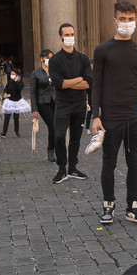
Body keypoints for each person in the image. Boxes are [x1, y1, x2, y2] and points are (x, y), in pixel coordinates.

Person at [91, 1, 137, 224]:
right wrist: (95, 116)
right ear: (115, 21)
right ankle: (108, 206)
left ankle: (132, 206)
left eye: (130, 19)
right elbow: (97, 85)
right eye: (122, 18)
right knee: (108, 163)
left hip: (134, 117)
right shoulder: (102, 50)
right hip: (110, 117)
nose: (127, 23)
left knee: (134, 162)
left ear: (136, 21)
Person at [48, 22, 92, 184]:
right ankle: (61, 170)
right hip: (63, 104)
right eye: (66, 35)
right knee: (59, 135)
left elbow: (89, 83)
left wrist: (69, 82)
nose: (70, 37)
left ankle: (72, 168)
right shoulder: (55, 60)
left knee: (76, 137)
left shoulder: (83, 59)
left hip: (80, 104)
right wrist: (79, 79)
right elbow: (59, 84)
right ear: (60, 37)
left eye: (72, 34)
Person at [30, 49, 57, 162]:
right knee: (52, 126)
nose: (49, 60)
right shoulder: (35, 73)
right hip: (43, 103)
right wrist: (34, 109)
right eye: (47, 57)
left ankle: (56, 149)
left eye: (51, 57)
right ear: (42, 59)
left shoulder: (56, 71)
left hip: (56, 101)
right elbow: (33, 92)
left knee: (57, 127)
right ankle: (50, 150)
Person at [0, 68, 30, 137]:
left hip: (16, 100)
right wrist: (5, 93)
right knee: (7, 117)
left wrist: (16, 81)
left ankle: (17, 132)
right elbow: (6, 88)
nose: (12, 75)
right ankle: (4, 132)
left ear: (17, 75)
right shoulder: (10, 81)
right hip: (9, 101)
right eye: (11, 74)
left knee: (16, 118)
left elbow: (20, 88)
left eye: (13, 74)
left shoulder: (19, 81)